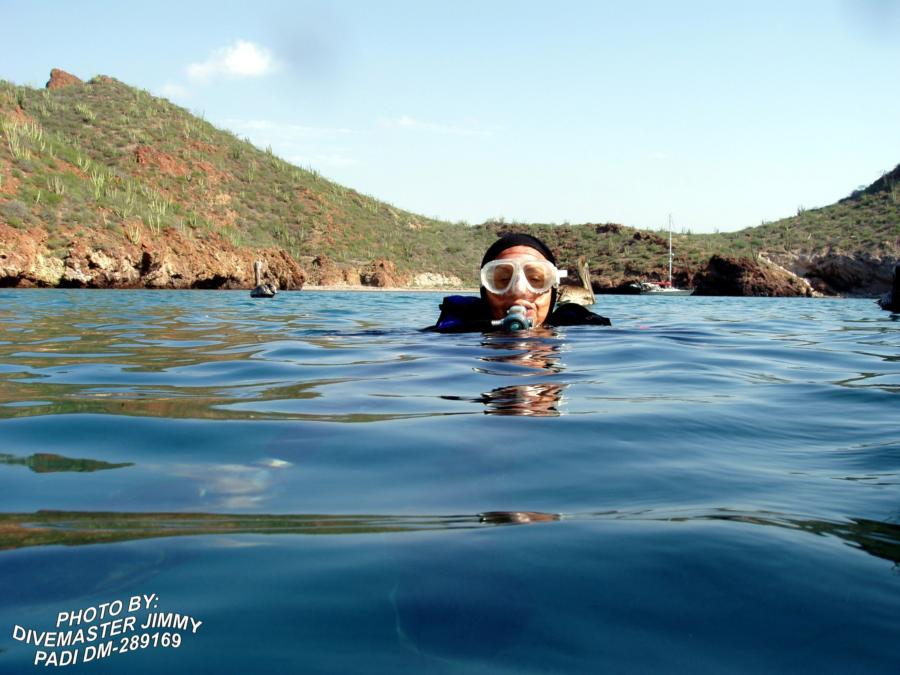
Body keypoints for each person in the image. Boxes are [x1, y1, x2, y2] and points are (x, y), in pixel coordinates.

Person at [426, 232, 611, 332]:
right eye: (503, 280)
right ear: (485, 291)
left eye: (536, 280)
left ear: (553, 289)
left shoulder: (583, 330)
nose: (519, 291)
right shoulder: (456, 333)